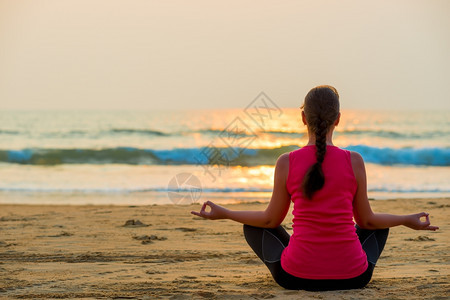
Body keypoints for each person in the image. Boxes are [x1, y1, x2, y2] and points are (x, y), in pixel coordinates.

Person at [191, 85, 439, 291]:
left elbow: (269, 220)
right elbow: (368, 221)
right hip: (354, 278)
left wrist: (225, 213)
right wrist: (407, 219)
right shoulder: (354, 161)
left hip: (295, 277)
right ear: (338, 120)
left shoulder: (286, 162)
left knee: (254, 226)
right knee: (380, 225)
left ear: (302, 118)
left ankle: (303, 258)